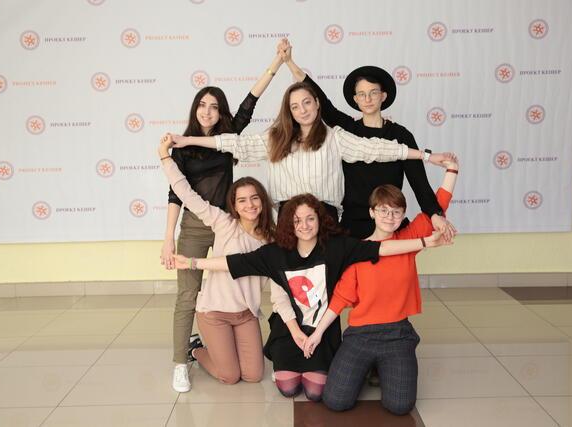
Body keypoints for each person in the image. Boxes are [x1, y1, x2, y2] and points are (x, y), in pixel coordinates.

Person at [172, 193, 451, 401]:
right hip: (289, 332)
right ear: (288, 224)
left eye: (310, 218)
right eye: (297, 220)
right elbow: (234, 262)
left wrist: (425, 242)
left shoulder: (338, 248)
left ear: (320, 220)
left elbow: (380, 250)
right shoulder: (276, 253)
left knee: (317, 393)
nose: (304, 225)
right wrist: (193, 263)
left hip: (323, 332)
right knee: (289, 389)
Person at [163, 46, 284, 393]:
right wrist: (168, 237)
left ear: (221, 113)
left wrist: (276, 62)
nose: (208, 111)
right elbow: (177, 194)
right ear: (194, 108)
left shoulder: (227, 138)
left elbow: (251, 100)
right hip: (198, 227)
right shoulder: (182, 147)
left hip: (228, 226)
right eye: (203, 104)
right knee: (188, 295)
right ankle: (180, 361)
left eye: (215, 106)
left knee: (230, 287)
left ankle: (226, 339)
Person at [169, 81, 456, 222]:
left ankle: (326, 340)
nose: (302, 110)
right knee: (292, 284)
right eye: (295, 106)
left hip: (326, 217)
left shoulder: (336, 137)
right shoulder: (276, 138)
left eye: (307, 103)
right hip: (287, 216)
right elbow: (232, 142)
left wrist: (428, 156)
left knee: (325, 285)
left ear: (317, 104)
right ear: (289, 111)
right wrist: (188, 141)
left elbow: (379, 149)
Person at [302, 158, 459, 414]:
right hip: (360, 336)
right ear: (372, 212)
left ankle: (383, 367)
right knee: (336, 401)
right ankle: (366, 368)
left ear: (402, 216)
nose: (390, 217)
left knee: (399, 406)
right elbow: (340, 298)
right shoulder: (357, 250)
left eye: (397, 212)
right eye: (383, 210)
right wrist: (317, 334)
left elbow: (439, 203)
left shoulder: (409, 239)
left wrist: (452, 170)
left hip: (397, 335)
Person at [281, 40, 456, 240]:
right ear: (355, 99)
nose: (368, 99)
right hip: (351, 226)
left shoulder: (401, 136)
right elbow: (323, 102)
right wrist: (289, 62)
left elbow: (419, 182)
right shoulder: (347, 129)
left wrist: (435, 214)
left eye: (373, 93)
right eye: (362, 94)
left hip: (388, 223)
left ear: (383, 96)